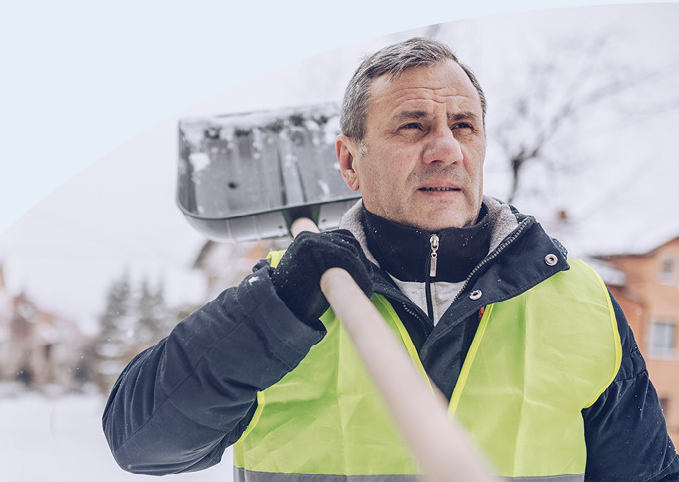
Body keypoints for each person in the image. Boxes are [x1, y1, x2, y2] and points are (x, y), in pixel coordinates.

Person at [102, 38, 679, 481]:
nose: (447, 149)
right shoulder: (288, 297)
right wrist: (275, 307)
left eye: (463, 126)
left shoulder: (577, 300)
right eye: (413, 126)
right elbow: (143, 443)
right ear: (350, 163)